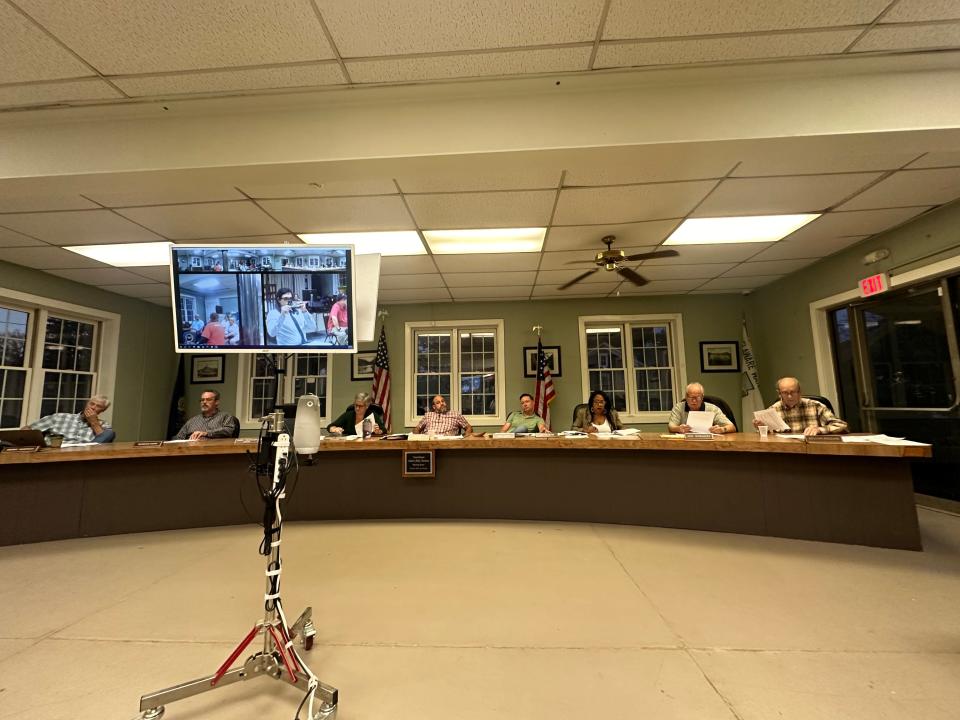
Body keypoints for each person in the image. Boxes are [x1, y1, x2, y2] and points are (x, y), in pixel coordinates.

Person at [753, 377, 848, 436]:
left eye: (793, 392)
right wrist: (762, 428)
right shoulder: (773, 410)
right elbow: (770, 436)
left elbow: (842, 426)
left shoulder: (815, 406)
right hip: (787, 452)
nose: (790, 396)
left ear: (799, 392)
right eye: (785, 393)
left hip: (814, 450)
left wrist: (819, 429)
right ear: (779, 394)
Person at [26, 395, 115, 443]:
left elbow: (105, 440)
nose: (93, 408)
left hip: (83, 458)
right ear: (87, 404)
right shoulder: (59, 417)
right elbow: (27, 430)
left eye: (98, 406)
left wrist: (94, 422)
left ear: (103, 410)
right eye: (92, 404)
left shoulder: (104, 425)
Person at [668, 382, 736, 434]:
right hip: (685, 443)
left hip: (708, 444)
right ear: (686, 397)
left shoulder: (712, 409)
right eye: (691, 397)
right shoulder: (679, 408)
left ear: (702, 397)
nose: (694, 401)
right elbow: (671, 427)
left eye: (697, 398)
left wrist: (722, 429)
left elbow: (732, 427)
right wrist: (678, 429)